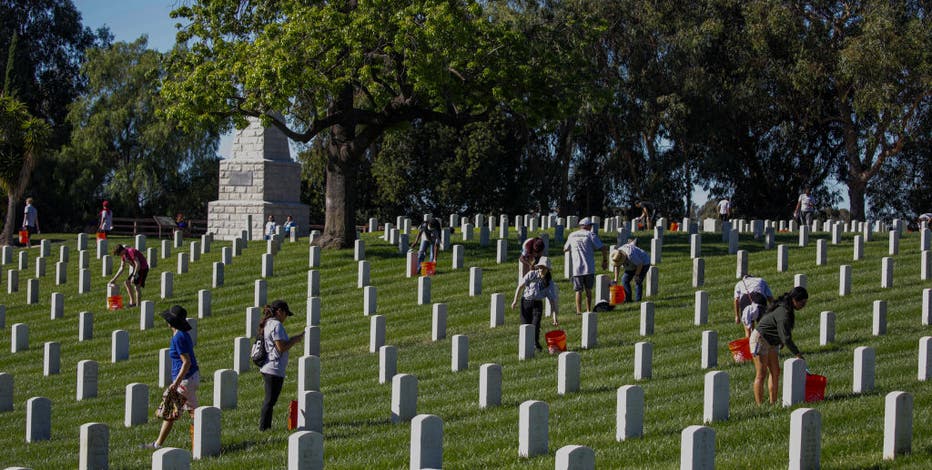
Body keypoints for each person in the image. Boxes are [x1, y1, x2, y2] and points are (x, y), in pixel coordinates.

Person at [144, 305, 199, 449]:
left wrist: (176, 383)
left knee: (171, 413)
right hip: (190, 379)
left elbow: (186, 362)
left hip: (185, 381)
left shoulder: (179, 338)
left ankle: (157, 444)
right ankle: (199, 443)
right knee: (193, 413)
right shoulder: (182, 334)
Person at [750, 286, 809, 405]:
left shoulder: (787, 309)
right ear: (794, 300)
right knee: (761, 374)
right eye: (802, 302)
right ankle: (759, 405)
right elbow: (786, 337)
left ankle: (773, 402)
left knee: (775, 371)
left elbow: (781, 331)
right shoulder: (784, 312)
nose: (803, 305)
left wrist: (780, 341)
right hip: (760, 339)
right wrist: (797, 353)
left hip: (771, 342)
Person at [258, 299, 304, 431]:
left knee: (270, 401)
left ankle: (265, 427)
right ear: (279, 312)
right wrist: (295, 340)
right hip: (274, 368)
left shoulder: (268, 323)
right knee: (269, 401)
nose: (286, 318)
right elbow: (281, 347)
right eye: (286, 314)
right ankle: (264, 428)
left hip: (269, 366)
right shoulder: (276, 325)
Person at [511, 256, 559, 351]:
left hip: (537, 304)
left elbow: (552, 301)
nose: (541, 269)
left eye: (544, 268)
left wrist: (554, 317)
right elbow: (520, 286)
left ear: (548, 269)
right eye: (540, 267)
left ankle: (536, 344)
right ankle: (525, 346)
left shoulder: (549, 283)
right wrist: (515, 301)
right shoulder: (531, 274)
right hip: (526, 302)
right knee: (525, 325)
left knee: (536, 325)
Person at [563, 217, 608, 315]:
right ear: (587, 226)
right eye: (590, 225)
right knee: (588, 290)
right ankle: (588, 310)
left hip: (577, 268)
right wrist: (605, 260)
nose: (591, 227)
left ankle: (578, 311)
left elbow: (565, 249)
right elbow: (602, 248)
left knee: (578, 290)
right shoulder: (590, 234)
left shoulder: (572, 235)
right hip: (589, 267)